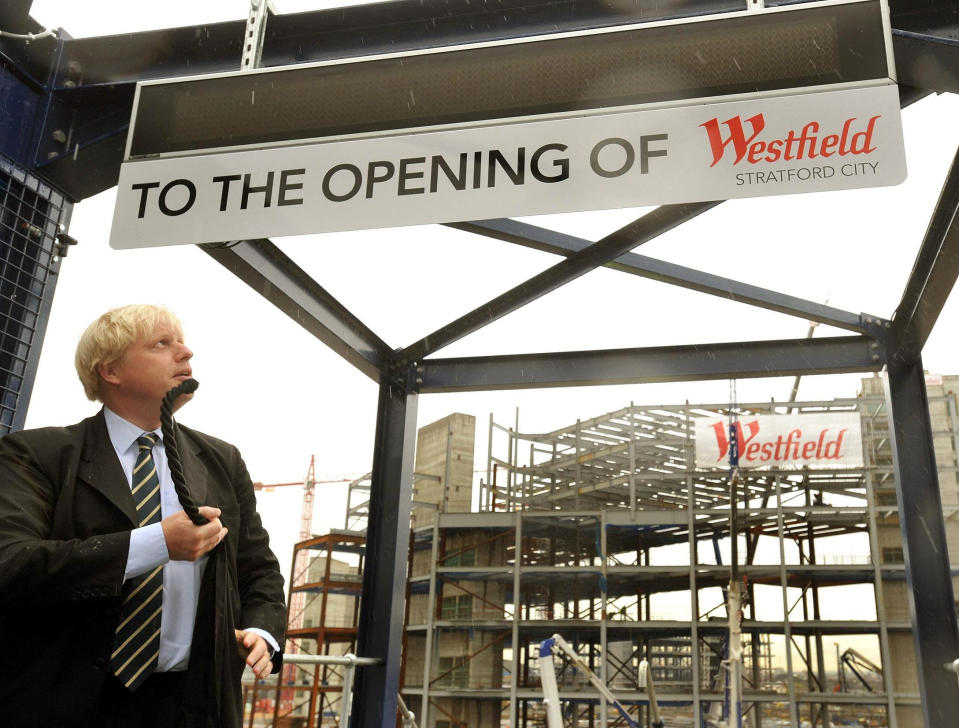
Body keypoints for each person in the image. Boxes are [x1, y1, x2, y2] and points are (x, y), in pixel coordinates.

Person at [0, 304, 287, 728]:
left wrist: (261, 632)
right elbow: (12, 563)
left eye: (182, 342)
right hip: (65, 702)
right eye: (162, 344)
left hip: (191, 705)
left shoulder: (222, 460)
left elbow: (258, 569)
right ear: (111, 371)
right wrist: (156, 544)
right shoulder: (35, 455)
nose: (186, 353)